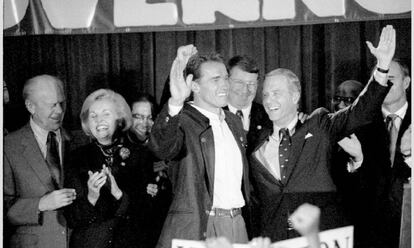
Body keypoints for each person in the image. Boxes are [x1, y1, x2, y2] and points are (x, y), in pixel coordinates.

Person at [249, 25, 396, 242]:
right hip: (275, 239)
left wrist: (382, 67)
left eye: (277, 93)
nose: (270, 101)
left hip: (320, 238)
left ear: (295, 95)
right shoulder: (255, 142)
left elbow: (359, 112)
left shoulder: (319, 125)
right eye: (266, 94)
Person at [149, 45, 251, 248]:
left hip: (237, 224)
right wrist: (176, 102)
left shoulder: (233, 121)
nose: (224, 85)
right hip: (200, 226)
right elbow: (161, 148)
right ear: (193, 85)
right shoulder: (182, 119)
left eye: (225, 78)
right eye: (215, 79)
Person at [64, 89, 155, 248]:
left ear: (120, 119)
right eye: (93, 116)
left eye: (106, 114)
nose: (99, 120)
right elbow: (71, 218)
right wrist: (91, 197)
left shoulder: (140, 155)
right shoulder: (76, 158)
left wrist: (120, 195)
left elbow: (147, 215)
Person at [4, 74, 75, 248]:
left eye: (61, 103)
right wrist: (41, 204)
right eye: (52, 105)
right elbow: (4, 208)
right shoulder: (8, 146)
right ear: (30, 106)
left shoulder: (79, 140)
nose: (59, 111)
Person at [128, 93, 171, 248]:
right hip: (128, 228)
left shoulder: (163, 146)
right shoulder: (119, 147)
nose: (144, 123)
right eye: (138, 117)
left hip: (158, 225)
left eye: (149, 117)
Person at [225, 55, 272, 155]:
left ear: (258, 84)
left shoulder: (269, 115)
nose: (245, 90)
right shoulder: (213, 114)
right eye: (239, 82)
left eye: (251, 83)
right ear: (226, 81)